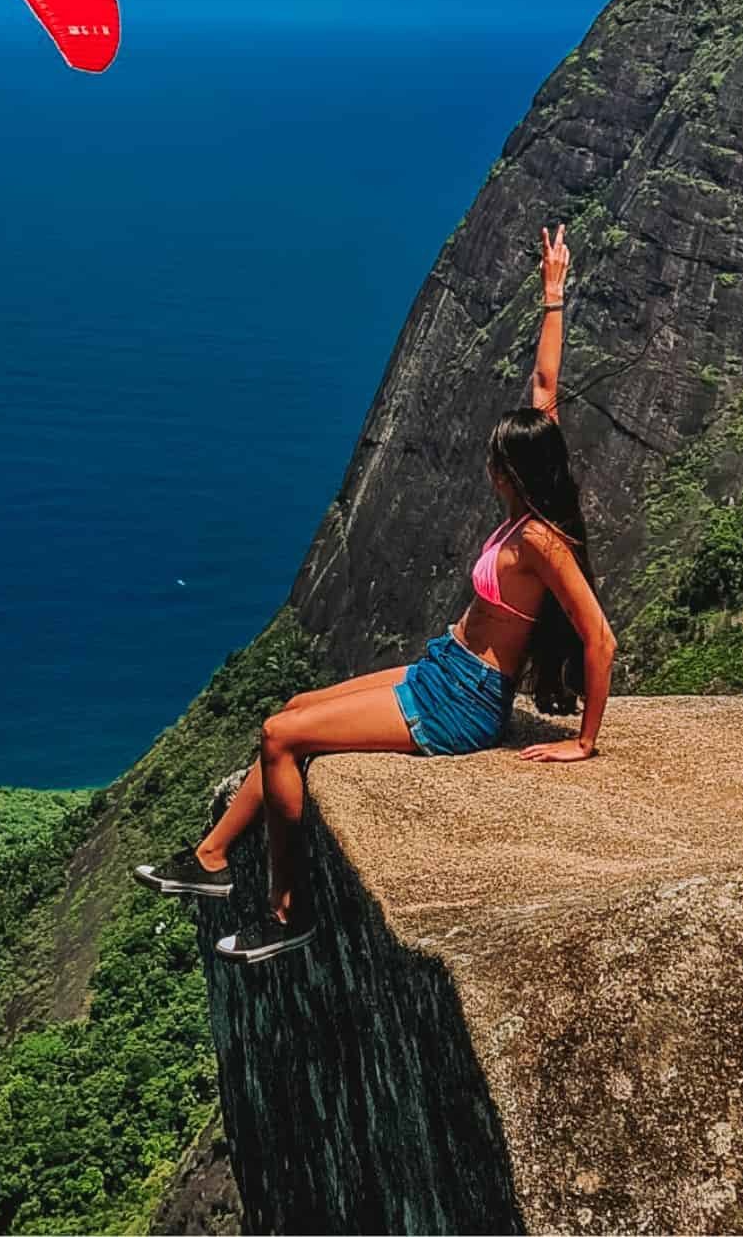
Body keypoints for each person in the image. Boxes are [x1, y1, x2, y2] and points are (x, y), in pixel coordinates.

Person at [134, 224, 615, 964]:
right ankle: (207, 861)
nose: (487, 467)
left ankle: (285, 909)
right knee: (293, 712)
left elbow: (599, 636)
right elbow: (545, 391)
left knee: (278, 736)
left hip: (459, 705)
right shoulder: (532, 489)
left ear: (513, 473)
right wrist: (554, 293)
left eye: (495, 461)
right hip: (442, 669)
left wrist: (583, 744)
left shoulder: (541, 541)